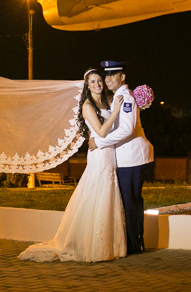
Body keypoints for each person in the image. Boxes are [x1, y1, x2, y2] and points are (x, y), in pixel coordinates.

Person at [18, 69, 127, 262]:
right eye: (92, 82)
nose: (97, 84)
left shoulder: (105, 101)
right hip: (99, 154)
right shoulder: (87, 105)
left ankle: (109, 245)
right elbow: (101, 132)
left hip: (109, 153)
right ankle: (92, 245)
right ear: (87, 85)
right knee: (96, 193)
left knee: (108, 192)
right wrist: (116, 111)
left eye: (99, 80)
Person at [88, 60, 154, 255]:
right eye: (106, 75)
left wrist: (100, 142)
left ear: (122, 77)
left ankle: (135, 245)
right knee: (128, 202)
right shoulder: (118, 96)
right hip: (126, 158)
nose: (108, 79)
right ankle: (133, 242)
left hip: (132, 158)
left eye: (112, 75)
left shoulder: (126, 98)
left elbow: (126, 129)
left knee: (130, 202)